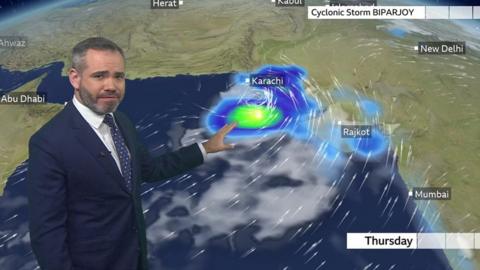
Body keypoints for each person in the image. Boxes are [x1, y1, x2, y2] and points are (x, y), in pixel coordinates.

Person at [27, 37, 236, 270]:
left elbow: (150, 170)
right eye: (99, 76)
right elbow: (47, 234)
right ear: (75, 78)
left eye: (118, 76)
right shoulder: (49, 143)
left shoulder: (121, 122)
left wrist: (205, 148)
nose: (111, 85)